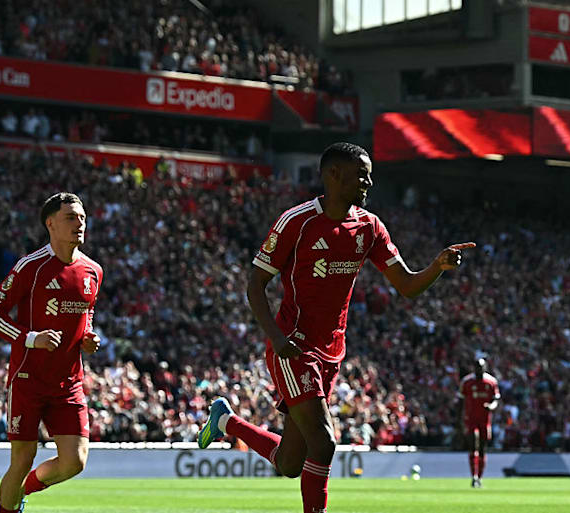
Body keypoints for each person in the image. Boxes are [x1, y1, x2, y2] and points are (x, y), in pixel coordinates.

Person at [197, 142, 474, 513]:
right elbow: (255, 282)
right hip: (294, 347)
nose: (369, 183)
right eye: (362, 175)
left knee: (290, 463)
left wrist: (437, 267)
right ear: (333, 174)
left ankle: (226, 421)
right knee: (325, 444)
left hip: (332, 351)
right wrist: (276, 339)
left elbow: (406, 285)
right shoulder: (297, 222)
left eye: (370, 175)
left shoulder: (369, 227)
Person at [0, 192, 103, 513]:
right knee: (21, 460)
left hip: (68, 382)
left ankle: (24, 492)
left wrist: (88, 336)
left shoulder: (93, 271)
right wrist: (31, 338)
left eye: (82, 217)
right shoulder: (30, 267)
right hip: (28, 378)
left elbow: (86, 313)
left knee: (75, 461)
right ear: (50, 223)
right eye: (71, 217)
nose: (79, 223)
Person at [459, 357, 499, 488]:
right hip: (471, 420)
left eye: (481, 368)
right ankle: (473, 476)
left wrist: (491, 406)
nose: (479, 370)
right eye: (477, 368)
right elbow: (461, 400)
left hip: (485, 420)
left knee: (482, 449)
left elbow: (495, 399)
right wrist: (461, 419)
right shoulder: (467, 382)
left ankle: (480, 477)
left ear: (485, 368)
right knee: (473, 445)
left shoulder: (491, 382)